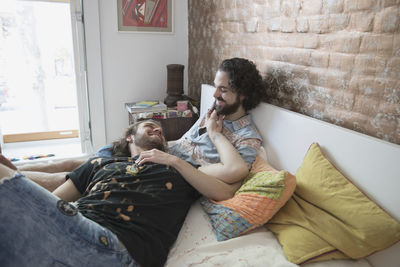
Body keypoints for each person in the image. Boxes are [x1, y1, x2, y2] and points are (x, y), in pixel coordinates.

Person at [0, 113, 248, 267]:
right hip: (67, 234)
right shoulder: (101, 163)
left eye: (160, 129)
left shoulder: (181, 169)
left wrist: (212, 135)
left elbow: (235, 172)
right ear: (130, 137)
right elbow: (49, 206)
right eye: (150, 125)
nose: (158, 129)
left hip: (114, 249)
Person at [15, 57, 267, 191]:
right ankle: (14, 170)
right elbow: (184, 143)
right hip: (158, 155)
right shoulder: (213, 113)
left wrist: (215, 134)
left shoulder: (247, 137)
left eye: (223, 90)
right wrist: (152, 141)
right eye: (215, 87)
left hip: (166, 170)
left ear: (242, 94)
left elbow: (233, 173)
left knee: (78, 176)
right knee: (85, 159)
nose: (214, 95)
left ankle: (13, 183)